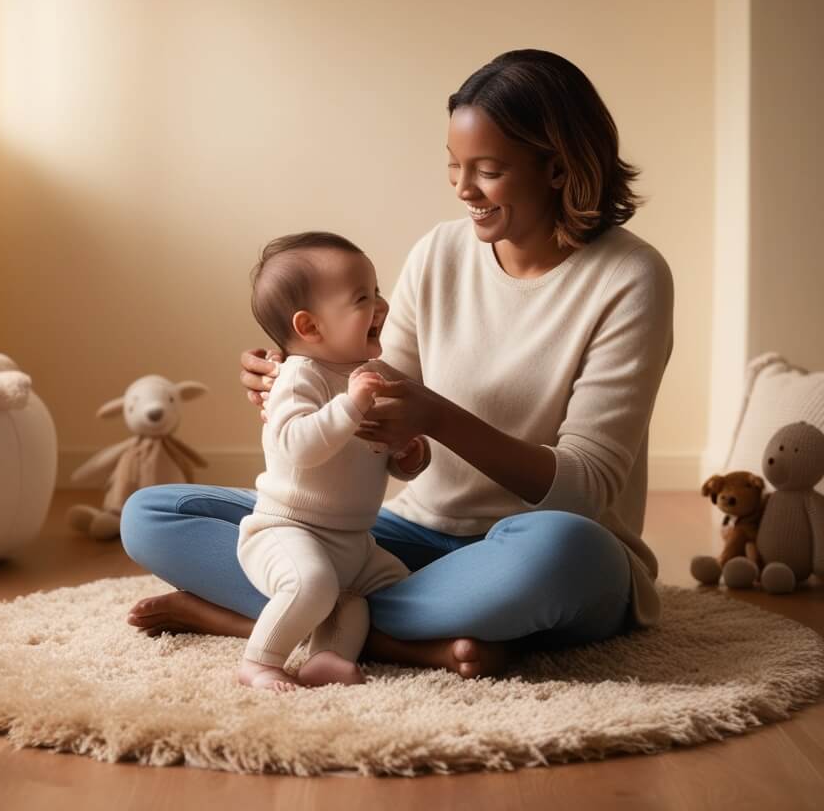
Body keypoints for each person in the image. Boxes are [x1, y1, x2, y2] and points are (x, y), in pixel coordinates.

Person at [121, 48, 674, 681]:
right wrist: (301, 370)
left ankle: (283, 617)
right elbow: (376, 392)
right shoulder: (440, 251)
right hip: (408, 537)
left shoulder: (630, 276)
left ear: (557, 167)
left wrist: (436, 417)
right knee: (153, 515)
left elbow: (585, 489)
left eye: (488, 170)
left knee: (567, 550)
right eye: (454, 165)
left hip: (530, 548)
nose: (463, 189)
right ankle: (401, 638)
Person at [235, 232, 431, 692]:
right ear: (310, 327)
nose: (381, 306)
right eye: (363, 298)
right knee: (312, 585)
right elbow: (298, 446)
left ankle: (328, 657)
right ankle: (259, 662)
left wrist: (408, 454)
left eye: (377, 290)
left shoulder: (370, 377)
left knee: (384, 591)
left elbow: (381, 455)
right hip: (290, 529)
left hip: (354, 539)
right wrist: (351, 405)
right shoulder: (298, 376)